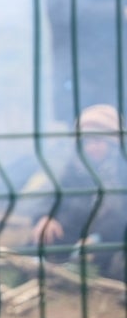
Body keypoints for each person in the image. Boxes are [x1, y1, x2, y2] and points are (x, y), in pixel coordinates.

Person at [30, 103, 127, 280]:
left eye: (98, 141)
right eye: (87, 142)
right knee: (44, 237)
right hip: (77, 236)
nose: (91, 148)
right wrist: (45, 216)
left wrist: (98, 239)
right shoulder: (75, 168)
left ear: (113, 143)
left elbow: (120, 216)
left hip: (112, 239)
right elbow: (54, 196)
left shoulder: (122, 172)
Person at [46, 0, 127, 126]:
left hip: (120, 79)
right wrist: (119, 12)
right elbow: (69, 12)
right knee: (88, 147)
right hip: (80, 81)